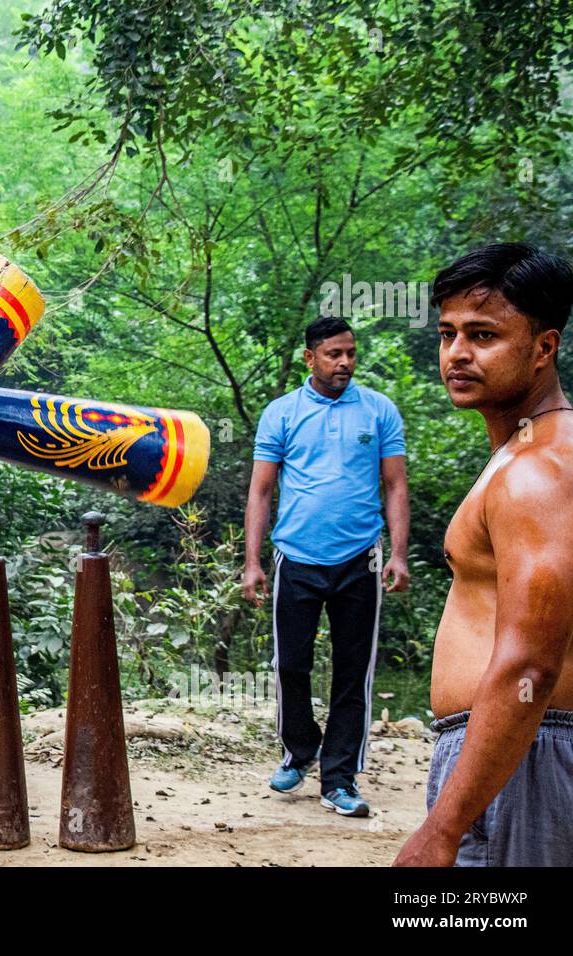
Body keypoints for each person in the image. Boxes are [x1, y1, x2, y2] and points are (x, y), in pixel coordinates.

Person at [395, 243, 573, 866]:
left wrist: (442, 828)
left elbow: (530, 662)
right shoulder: (524, 455)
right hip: (515, 752)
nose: (457, 355)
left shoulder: (541, 472)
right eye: (447, 334)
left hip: (528, 756)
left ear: (543, 348)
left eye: (484, 335)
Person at [243, 316, 410, 817]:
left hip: (360, 560)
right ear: (309, 357)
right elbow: (261, 490)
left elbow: (396, 485)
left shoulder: (379, 411)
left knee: (352, 674)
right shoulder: (282, 413)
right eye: (334, 354)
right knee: (289, 665)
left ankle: (339, 779)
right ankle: (299, 749)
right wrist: (252, 562)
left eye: (351, 354)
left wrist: (398, 553)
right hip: (295, 557)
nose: (344, 363)